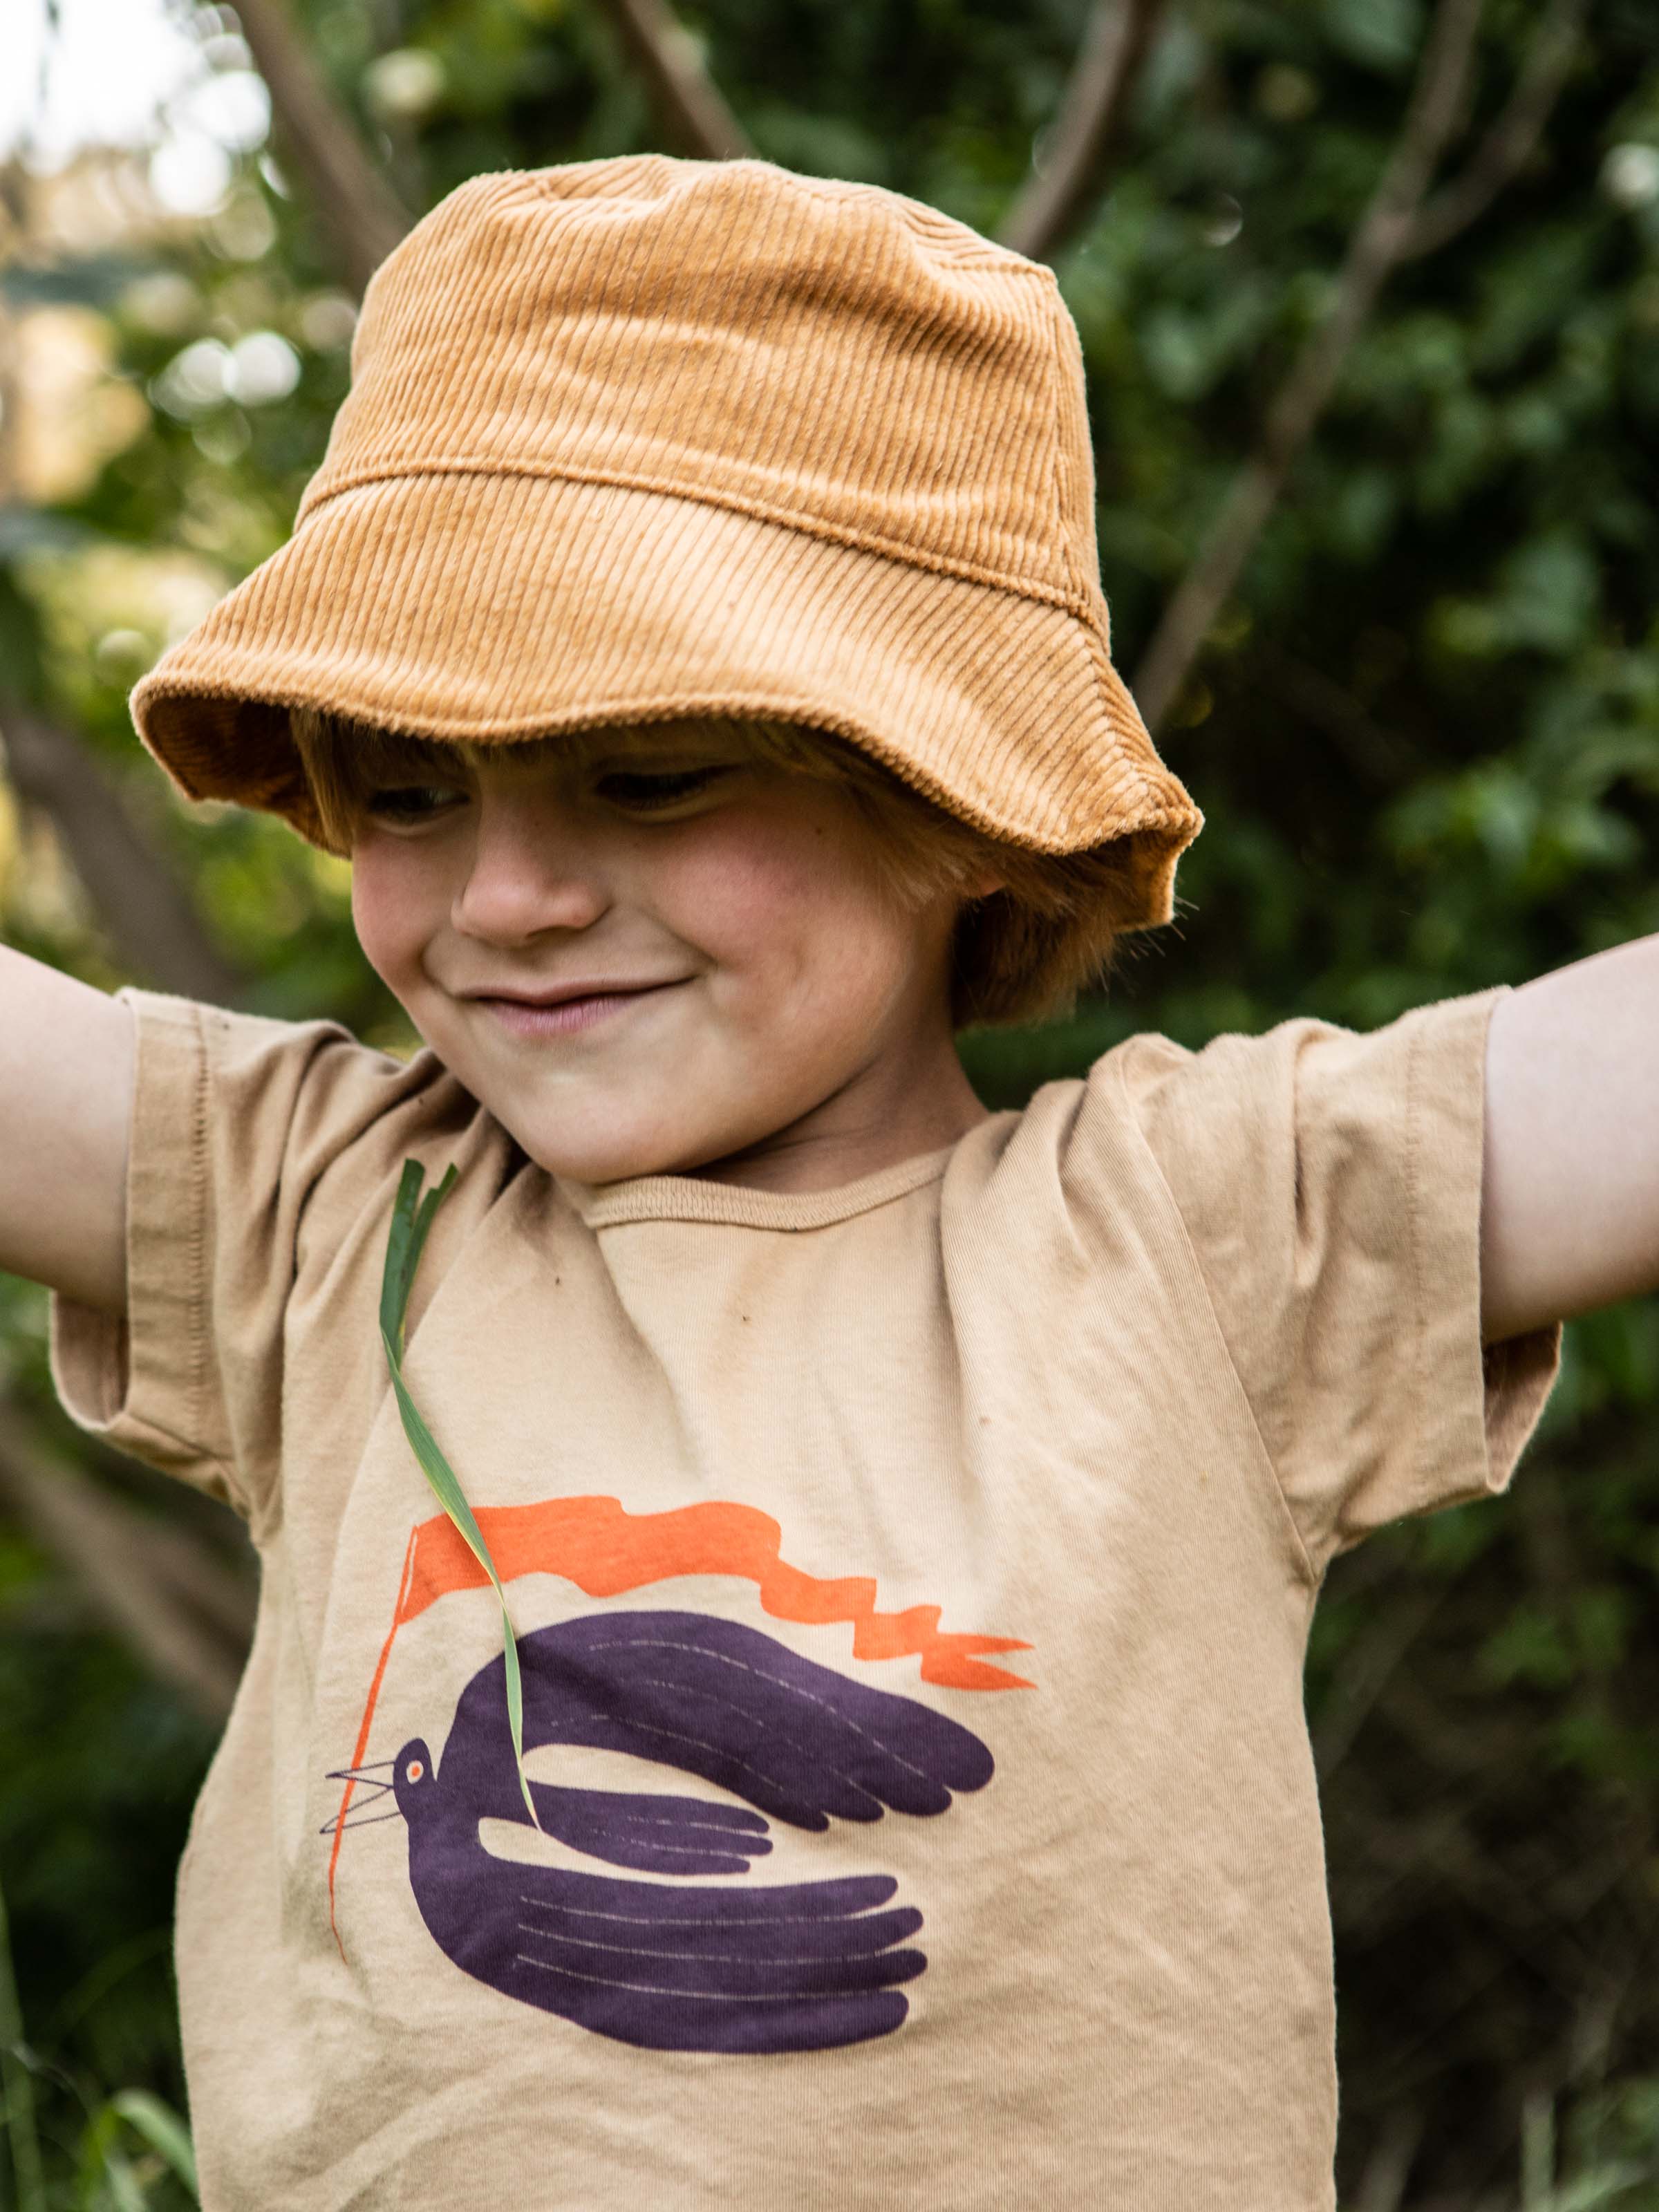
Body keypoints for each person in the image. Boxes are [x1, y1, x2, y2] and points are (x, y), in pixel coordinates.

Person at [1, 153, 1653, 2212]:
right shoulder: (315, 1211)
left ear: (957, 796)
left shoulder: (1204, 1238)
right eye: (412, 793)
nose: (507, 896)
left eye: (653, 774)